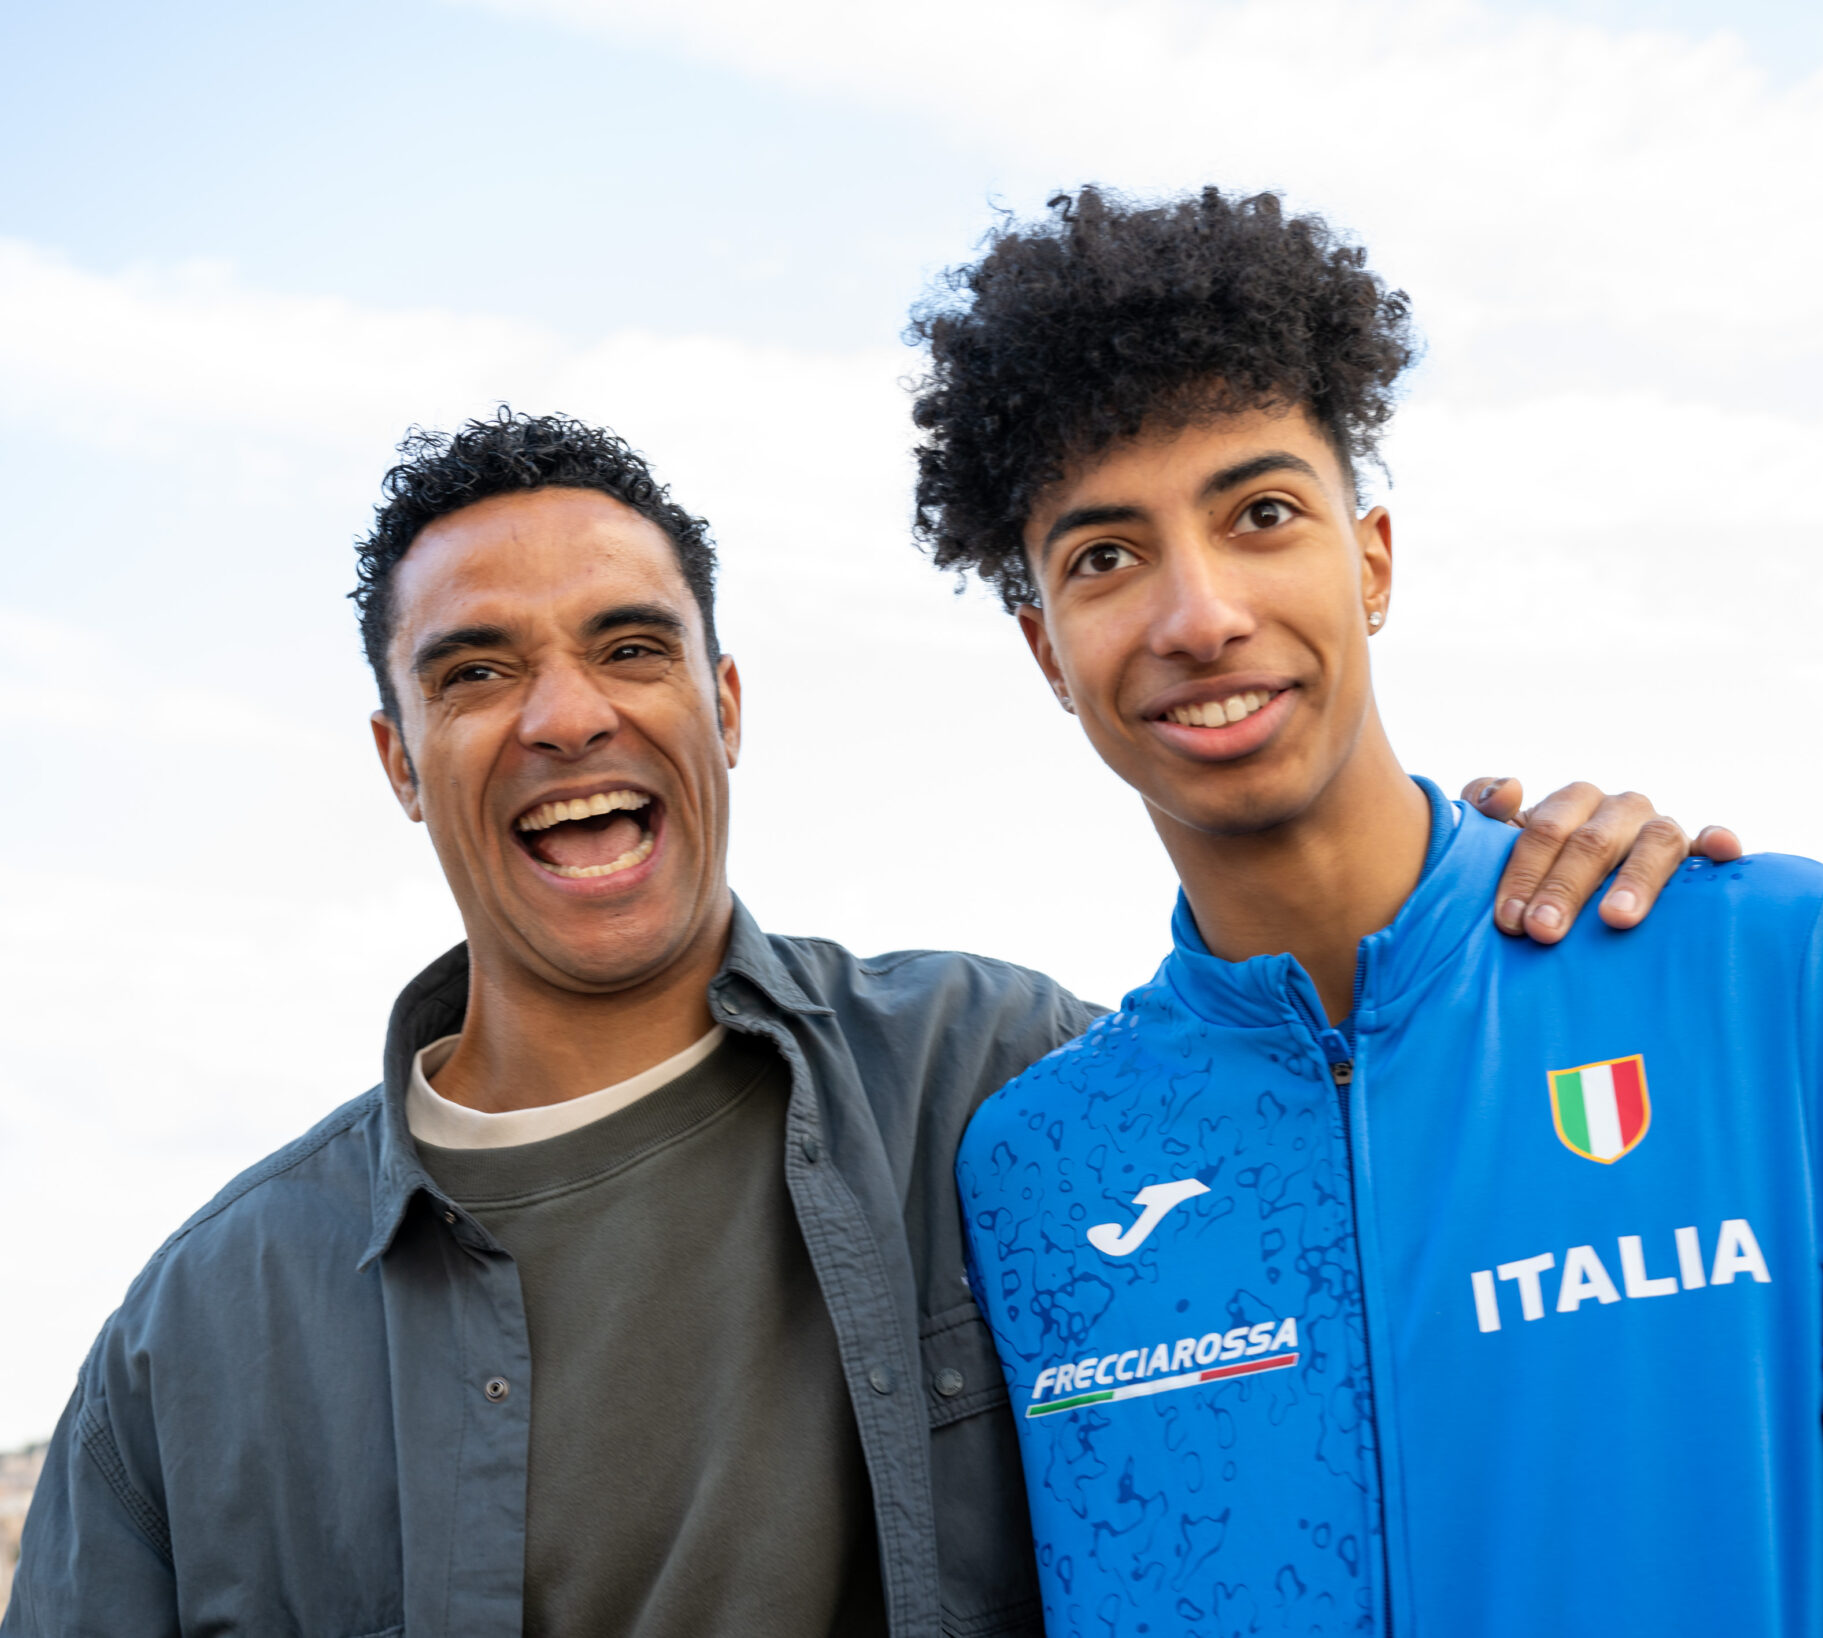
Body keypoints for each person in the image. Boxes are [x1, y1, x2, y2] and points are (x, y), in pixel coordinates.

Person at [4, 410, 1722, 1638]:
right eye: (474, 671)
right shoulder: (196, 1342)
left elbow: (1375, 1139)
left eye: (630, 647)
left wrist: (1542, 904)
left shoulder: (1001, 1079)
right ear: (398, 759)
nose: (566, 715)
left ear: (725, 706)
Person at [926, 188, 1823, 1637]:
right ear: (1045, 650)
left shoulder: (1769, 973)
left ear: (1373, 559)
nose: (1199, 615)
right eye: (1104, 556)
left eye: (1262, 514)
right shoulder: (1033, 1166)